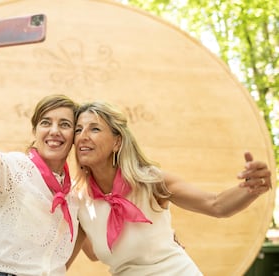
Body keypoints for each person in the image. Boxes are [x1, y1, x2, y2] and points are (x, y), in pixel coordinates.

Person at [73, 101, 272, 276]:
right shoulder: (80, 201)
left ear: (117, 142)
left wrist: (250, 188)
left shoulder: (150, 181)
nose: (83, 136)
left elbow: (216, 205)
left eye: (94, 129)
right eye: (78, 130)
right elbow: (92, 253)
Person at [0, 17, 85, 276]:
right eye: (46, 122)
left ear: (75, 135)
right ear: (35, 131)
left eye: (65, 124)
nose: (55, 130)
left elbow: (91, 236)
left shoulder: (74, 192)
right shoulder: (14, 168)